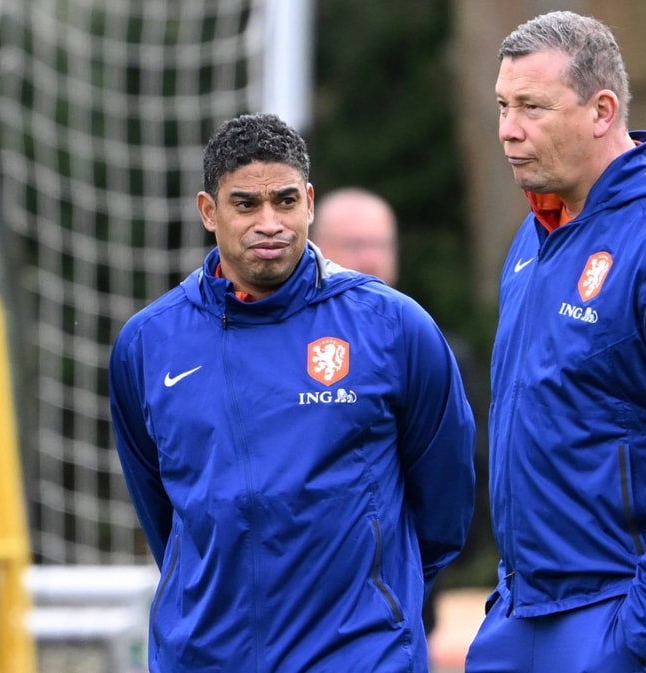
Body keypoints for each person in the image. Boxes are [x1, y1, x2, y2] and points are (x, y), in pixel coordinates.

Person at [108, 113, 476, 673]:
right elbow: (163, 513)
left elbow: (445, 504)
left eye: (284, 201)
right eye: (245, 204)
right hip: (204, 658)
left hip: (358, 657)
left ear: (308, 202)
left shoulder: (393, 327)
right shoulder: (147, 343)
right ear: (208, 211)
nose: (269, 222)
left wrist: (377, 596)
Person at [467, 11, 646, 673]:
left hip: (629, 610)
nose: (508, 129)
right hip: (523, 611)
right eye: (503, 106)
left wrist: (644, 629)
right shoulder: (534, 237)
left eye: (532, 107)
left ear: (602, 111)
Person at [311, 187, 496, 637]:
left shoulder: (437, 352)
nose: (372, 258)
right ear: (316, 247)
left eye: (382, 245)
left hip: (404, 603)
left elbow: (462, 474)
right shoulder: (278, 351)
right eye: (356, 244)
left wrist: (421, 566)